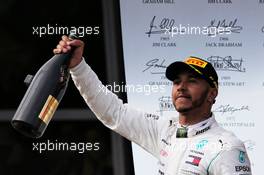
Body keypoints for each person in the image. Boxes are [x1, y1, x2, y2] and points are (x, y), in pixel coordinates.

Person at [53, 36, 252, 175]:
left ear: (212, 93)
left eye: (192, 80)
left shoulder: (226, 147)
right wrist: (78, 67)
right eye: (176, 82)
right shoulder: (166, 130)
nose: (181, 87)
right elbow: (113, 112)